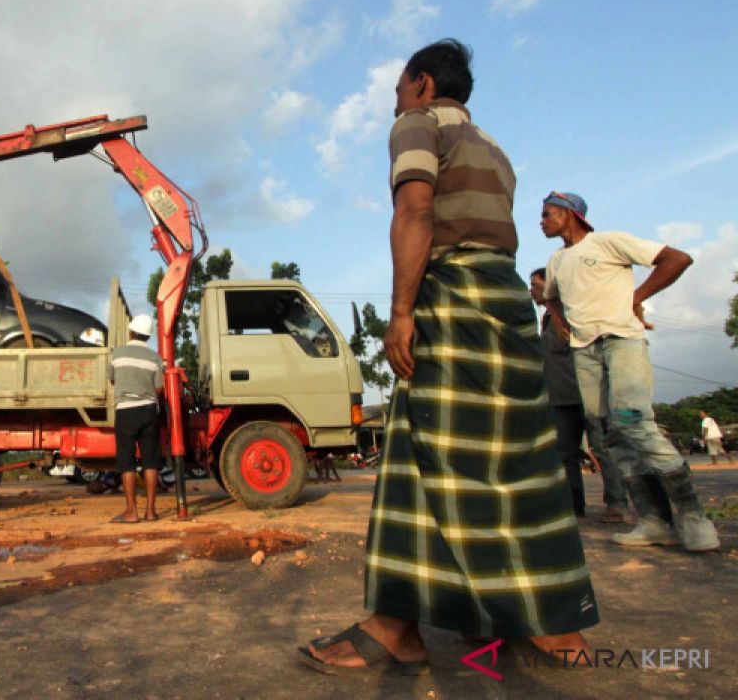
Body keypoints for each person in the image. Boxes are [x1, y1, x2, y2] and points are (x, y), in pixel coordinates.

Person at [299, 40, 596, 676]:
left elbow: (416, 210)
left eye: (400, 91)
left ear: (424, 85)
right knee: (519, 465)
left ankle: (395, 626)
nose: (396, 105)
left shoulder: (416, 125)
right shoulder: (495, 148)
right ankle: (550, 623)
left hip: (453, 303)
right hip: (506, 306)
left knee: (417, 459)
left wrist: (401, 313)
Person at [540, 191, 719, 553]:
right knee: (608, 431)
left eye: (547, 214)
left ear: (570, 214)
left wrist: (636, 297)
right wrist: (560, 323)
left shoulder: (608, 241)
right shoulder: (557, 259)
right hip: (584, 349)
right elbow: (551, 297)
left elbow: (677, 259)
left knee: (633, 420)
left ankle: (693, 515)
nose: (541, 221)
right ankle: (654, 520)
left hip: (621, 340)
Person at [529, 268, 629, 522]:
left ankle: (617, 504)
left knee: (603, 449)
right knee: (566, 453)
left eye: (536, 286)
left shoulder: (572, 315)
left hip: (588, 393)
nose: (532, 291)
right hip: (560, 397)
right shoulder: (548, 320)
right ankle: (573, 505)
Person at [106, 314, 163, 523]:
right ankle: (150, 511)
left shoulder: (117, 354)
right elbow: (159, 387)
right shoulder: (155, 358)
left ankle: (131, 511)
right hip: (148, 410)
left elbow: (112, 379)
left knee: (127, 462)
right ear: (148, 336)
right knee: (150, 462)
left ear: (131, 332)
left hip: (126, 411)